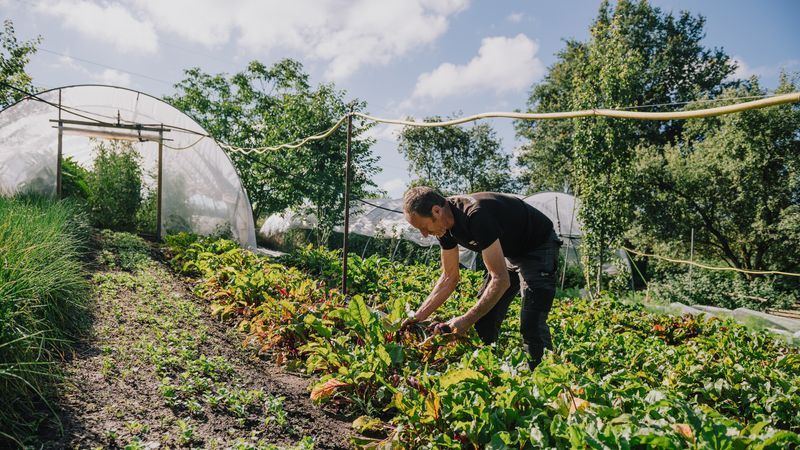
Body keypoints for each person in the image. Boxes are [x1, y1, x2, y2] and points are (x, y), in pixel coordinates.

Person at [401, 186, 562, 370]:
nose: (424, 234)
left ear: (436, 211)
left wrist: (465, 320)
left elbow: (501, 280)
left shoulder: (475, 215)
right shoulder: (443, 227)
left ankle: (545, 377)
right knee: (485, 317)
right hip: (509, 252)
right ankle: (487, 370)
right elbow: (449, 277)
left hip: (538, 245)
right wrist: (418, 317)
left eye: (423, 227)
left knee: (532, 321)